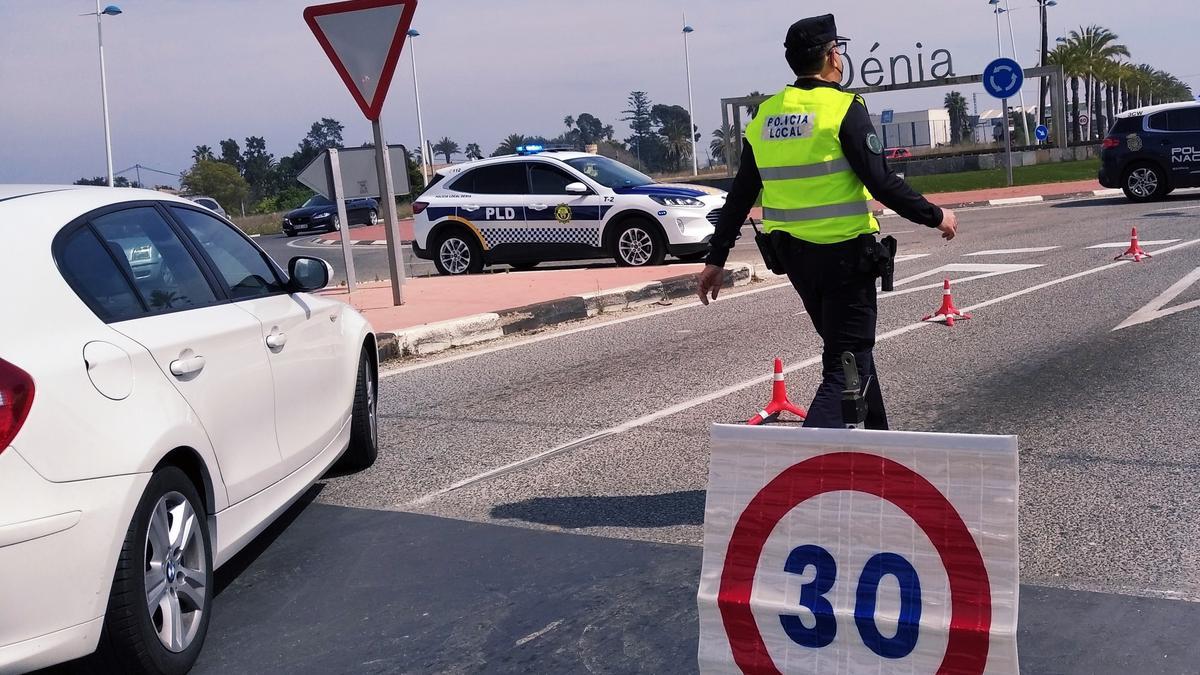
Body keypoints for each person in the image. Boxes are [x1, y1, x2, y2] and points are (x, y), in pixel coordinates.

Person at [696, 13, 958, 429]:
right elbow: (880, 181)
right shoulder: (843, 108)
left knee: (853, 355)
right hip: (845, 256)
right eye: (839, 51)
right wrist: (937, 216)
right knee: (844, 363)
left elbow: (741, 194)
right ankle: (804, 466)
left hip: (797, 261)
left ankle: (877, 451)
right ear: (832, 57)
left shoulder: (764, 116)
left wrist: (717, 257)